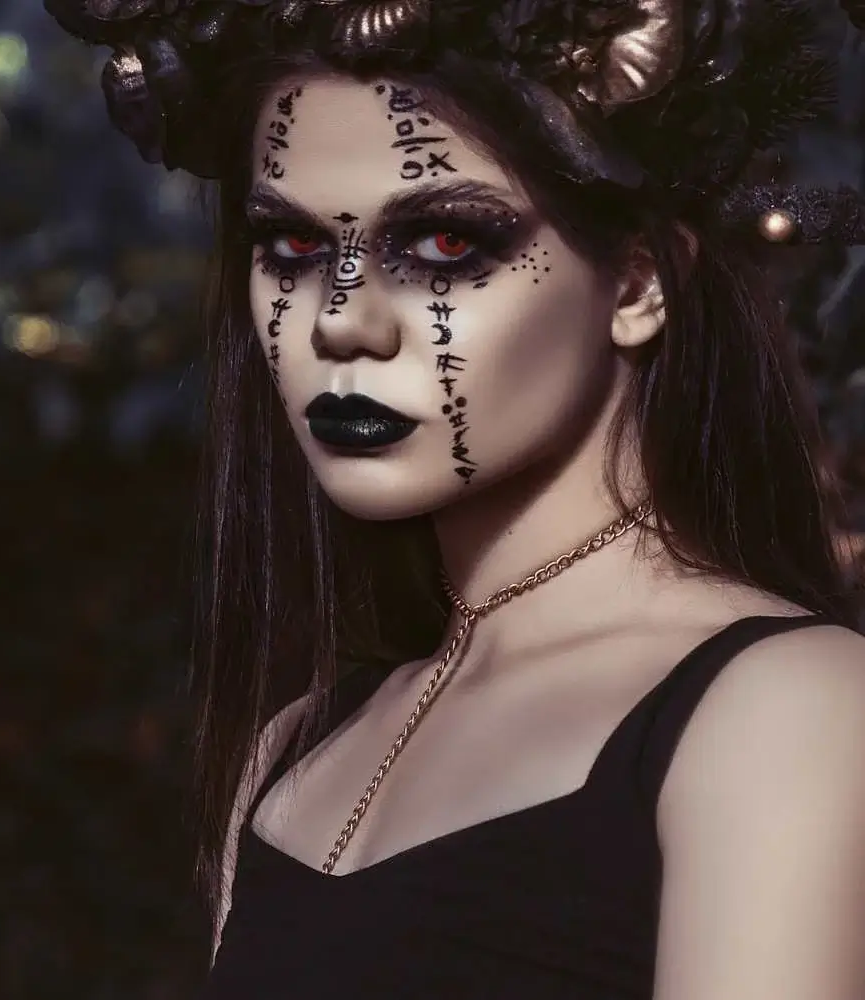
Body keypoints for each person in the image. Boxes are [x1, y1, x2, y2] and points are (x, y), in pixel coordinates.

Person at [46, 0, 865, 996]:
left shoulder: (786, 708)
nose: (341, 323)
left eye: (441, 245)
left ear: (640, 281)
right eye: (293, 250)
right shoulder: (295, 747)